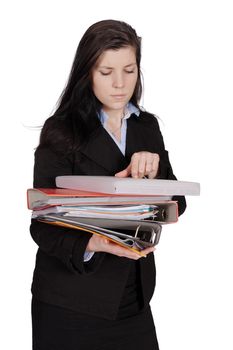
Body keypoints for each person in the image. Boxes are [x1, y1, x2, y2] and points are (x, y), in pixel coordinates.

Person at [30, 19, 186, 350]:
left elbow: (177, 204)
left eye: (129, 70)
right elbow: (42, 226)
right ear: (87, 72)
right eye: (106, 72)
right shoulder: (60, 132)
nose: (119, 83)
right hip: (70, 303)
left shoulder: (147, 127)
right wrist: (94, 243)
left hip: (134, 299)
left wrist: (153, 176)